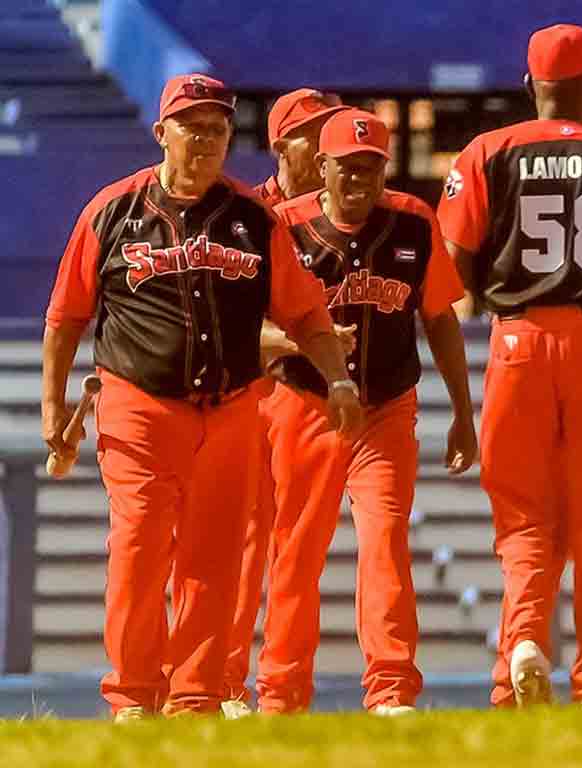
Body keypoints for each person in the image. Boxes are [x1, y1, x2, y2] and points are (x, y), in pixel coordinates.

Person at [41, 74, 360, 720]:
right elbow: (66, 316)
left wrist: (341, 379)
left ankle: (195, 696)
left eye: (219, 129)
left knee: (213, 559)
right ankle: (133, 694)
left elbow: (306, 316)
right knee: (139, 547)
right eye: (195, 127)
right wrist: (54, 407)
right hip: (140, 405)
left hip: (232, 407)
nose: (209, 140)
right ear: (163, 133)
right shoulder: (112, 210)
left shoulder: (252, 217)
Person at [437, 24, 582, 707]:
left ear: (528, 85)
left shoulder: (487, 151)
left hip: (518, 341)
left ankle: (523, 646)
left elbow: (450, 269)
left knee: (521, 514)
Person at [253, 109, 475, 715]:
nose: (360, 180)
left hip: (386, 404)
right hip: (305, 402)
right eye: (348, 167)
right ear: (320, 168)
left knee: (385, 541)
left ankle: (391, 689)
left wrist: (462, 410)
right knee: (297, 551)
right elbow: (250, 325)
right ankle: (281, 693)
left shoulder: (413, 219)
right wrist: (307, 342)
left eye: (372, 167)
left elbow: (440, 318)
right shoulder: (282, 226)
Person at [222, 87, 352, 717]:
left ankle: (284, 693)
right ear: (281, 147)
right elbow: (224, 319)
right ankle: (220, 687)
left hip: (310, 400)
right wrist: (305, 338)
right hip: (251, 396)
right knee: (239, 548)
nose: (328, 143)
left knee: (300, 552)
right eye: (314, 132)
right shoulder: (245, 214)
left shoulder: (349, 211)